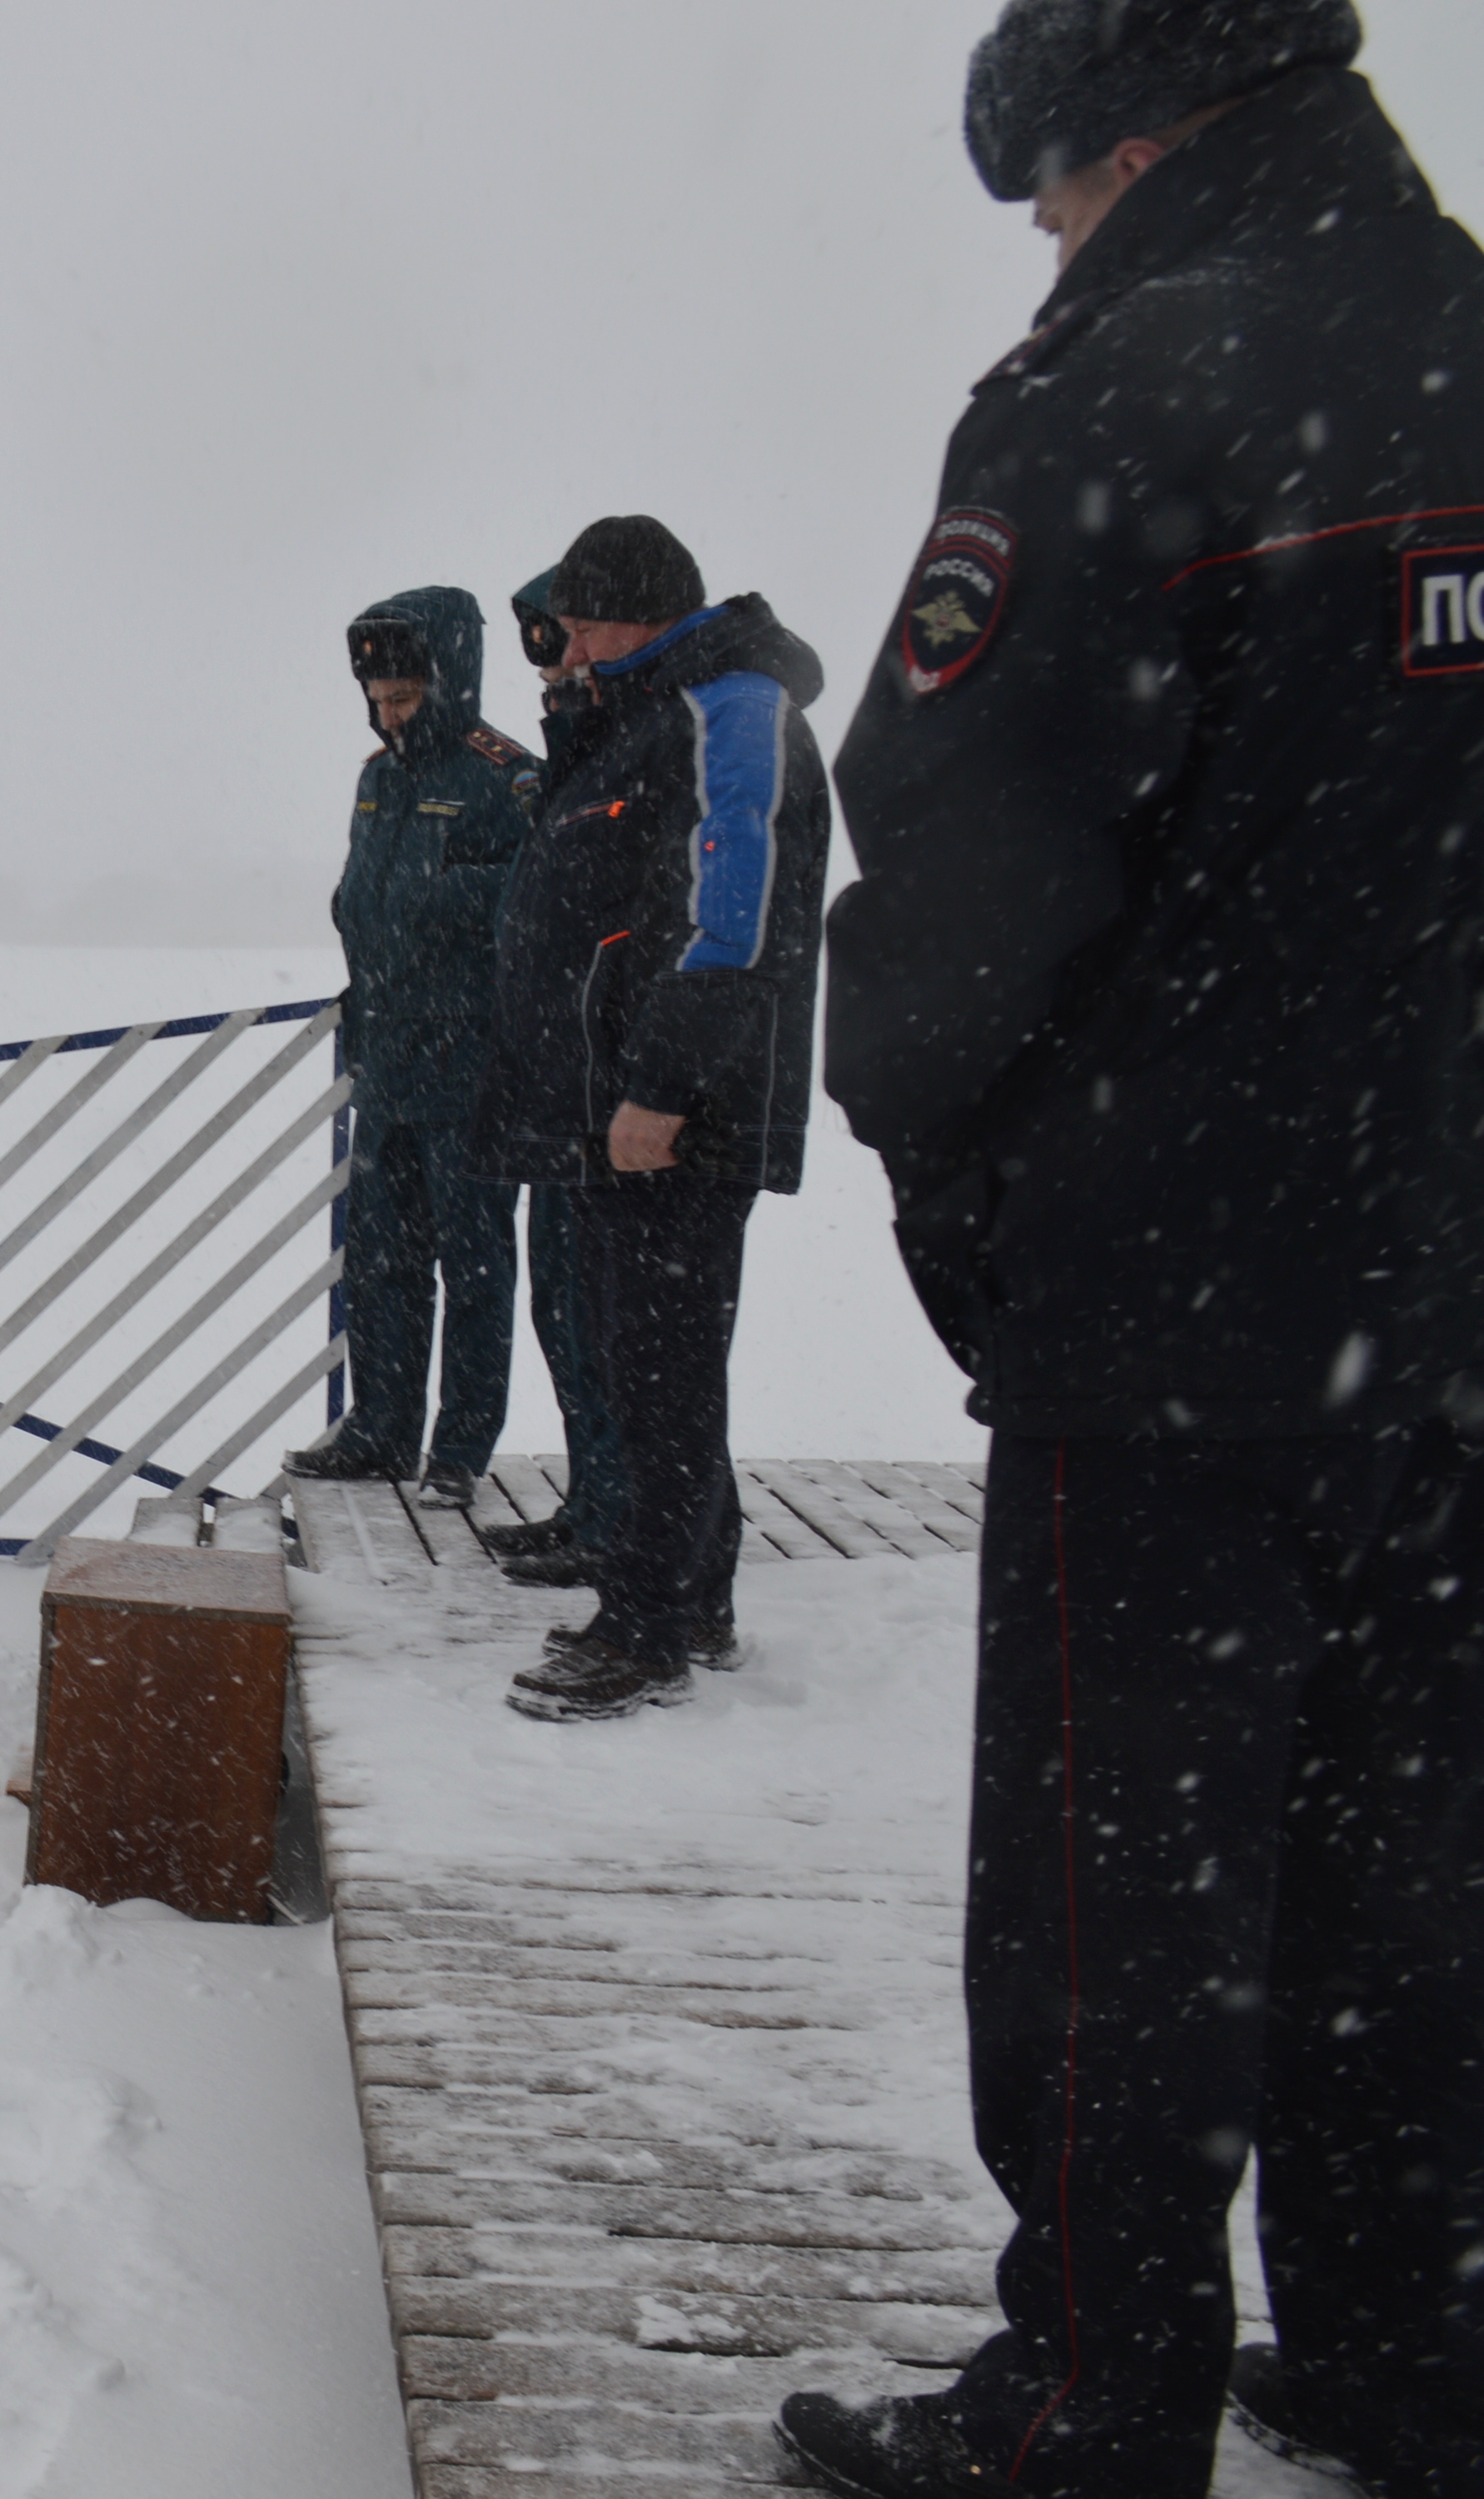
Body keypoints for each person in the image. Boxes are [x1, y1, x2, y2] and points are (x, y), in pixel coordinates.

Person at [784, 4, 1484, 2492]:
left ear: (1125, 136)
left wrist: (955, 1183)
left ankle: (1091, 2397)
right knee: (1411, 1863)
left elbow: (965, 869)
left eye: (1050, 197)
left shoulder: (1125, 389)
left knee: (1123, 1903)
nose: (1051, 246)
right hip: (1445, 1294)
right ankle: (1415, 2351)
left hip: (1179, 1300)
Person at [464, 517, 830, 1722]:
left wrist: (663, 1088)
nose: (560, 642)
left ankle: (646, 1626)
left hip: (677, 1113)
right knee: (643, 1362)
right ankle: (690, 1596)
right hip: (618, 1110)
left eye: (574, 619)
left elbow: (738, 916)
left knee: (662, 1371)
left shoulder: (733, 709)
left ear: (628, 611)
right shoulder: (643, 721)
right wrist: (579, 717)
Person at [284, 586, 536, 1512]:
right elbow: (365, 902)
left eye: (405, 698)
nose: (390, 717)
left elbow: (537, 900)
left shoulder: (507, 777)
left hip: (472, 1067)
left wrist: (451, 906)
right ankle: (381, 1430)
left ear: (450, 681)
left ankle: (461, 1448)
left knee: (474, 1267)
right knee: (382, 1259)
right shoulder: (376, 780)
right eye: (378, 700)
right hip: (386, 1060)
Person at [475, 568, 630, 1583]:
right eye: (542, 649)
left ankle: (632, 1526)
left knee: (622, 1330)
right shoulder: (575, 757)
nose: (556, 666)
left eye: (569, 642)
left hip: (616, 1090)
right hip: (561, 1089)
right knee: (566, 1310)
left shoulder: (636, 750)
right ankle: (598, 1503)